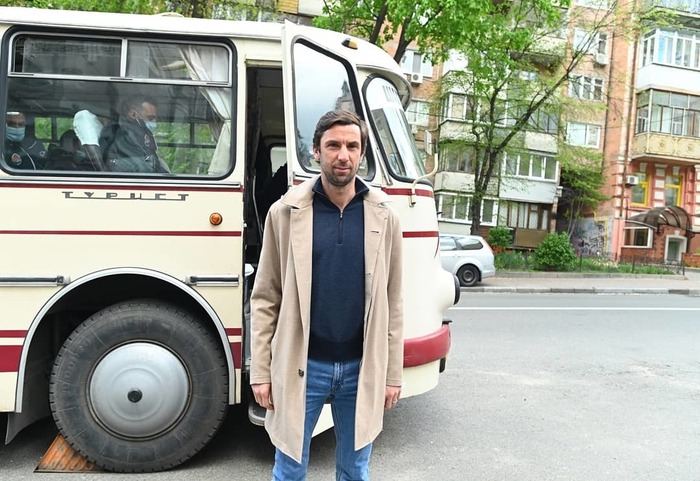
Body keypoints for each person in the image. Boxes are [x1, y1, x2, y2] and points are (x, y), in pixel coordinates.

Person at [250, 110, 404, 481]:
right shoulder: (285, 213)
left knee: (354, 471)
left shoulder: (385, 216)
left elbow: (394, 300)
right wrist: (261, 371)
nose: (343, 155)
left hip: (360, 367)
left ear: (362, 154)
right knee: (289, 469)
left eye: (352, 146)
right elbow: (266, 298)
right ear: (316, 151)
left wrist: (392, 375)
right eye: (333, 145)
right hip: (302, 363)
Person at [99, 95, 169, 172]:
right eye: (150, 118)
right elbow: (143, 167)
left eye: (156, 118)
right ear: (133, 115)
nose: (155, 122)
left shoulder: (140, 134)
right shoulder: (122, 134)